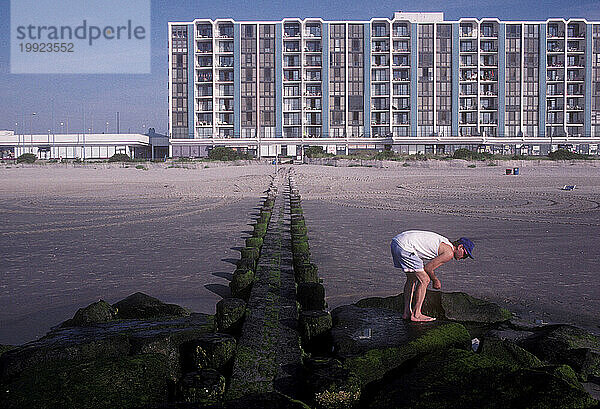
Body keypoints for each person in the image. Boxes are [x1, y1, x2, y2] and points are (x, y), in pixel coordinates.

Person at [390, 230, 474, 322]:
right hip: (405, 247)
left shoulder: (445, 242)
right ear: (460, 247)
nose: (463, 258)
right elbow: (428, 268)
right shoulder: (449, 253)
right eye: (465, 254)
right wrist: (435, 280)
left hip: (397, 242)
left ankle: (407, 312)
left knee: (412, 279)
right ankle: (416, 314)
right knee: (425, 280)